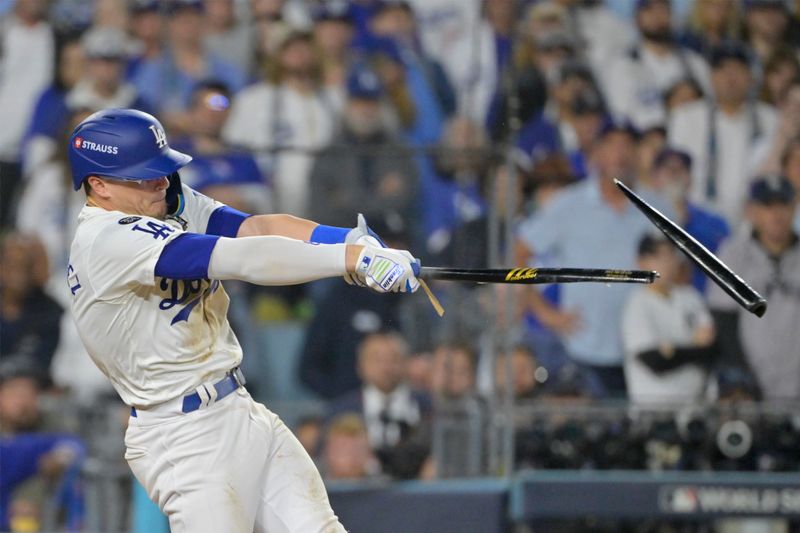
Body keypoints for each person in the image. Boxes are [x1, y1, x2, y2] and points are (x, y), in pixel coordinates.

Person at [65, 108, 421, 532]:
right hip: (183, 434)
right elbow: (242, 258)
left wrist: (347, 239)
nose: (160, 182)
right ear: (99, 185)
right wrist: (351, 261)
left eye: (160, 170)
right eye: (143, 176)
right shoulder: (106, 239)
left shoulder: (162, 203)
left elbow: (253, 228)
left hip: (240, 409)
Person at [516, 120, 674, 398]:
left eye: (627, 145)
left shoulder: (659, 207)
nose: (620, 153)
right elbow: (518, 254)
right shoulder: (569, 203)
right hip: (583, 348)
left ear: (638, 153)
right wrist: (543, 312)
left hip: (645, 349)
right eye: (611, 145)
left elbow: (678, 269)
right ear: (596, 153)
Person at [708, 175, 800, 401]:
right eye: (768, 206)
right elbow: (723, 320)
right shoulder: (733, 253)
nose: (777, 215)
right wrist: (742, 375)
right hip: (749, 384)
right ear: (753, 211)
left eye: (784, 205)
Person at [668, 42, 777, 225]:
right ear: (711, 77)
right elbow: (674, 173)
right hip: (698, 221)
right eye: (723, 69)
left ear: (751, 77)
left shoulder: (770, 119)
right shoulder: (686, 117)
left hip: (754, 222)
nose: (730, 77)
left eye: (738, 69)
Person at [621, 235, 716, 405]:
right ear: (641, 262)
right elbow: (656, 362)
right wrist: (694, 347)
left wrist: (673, 350)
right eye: (658, 257)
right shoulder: (637, 305)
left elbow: (713, 350)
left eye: (670, 255)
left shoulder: (691, 297)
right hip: (655, 408)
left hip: (696, 404)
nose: (666, 262)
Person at [327, 331, 431, 479]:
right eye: (377, 359)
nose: (386, 367)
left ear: (406, 363)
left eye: (394, 359)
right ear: (360, 365)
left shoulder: (428, 407)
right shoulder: (340, 410)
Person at [601, 0, 711, 131]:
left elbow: (711, 111)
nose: (656, 16)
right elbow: (620, 119)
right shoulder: (621, 67)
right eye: (649, 10)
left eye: (662, 9)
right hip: (645, 143)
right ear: (636, 18)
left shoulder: (695, 63)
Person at [0, 0, 54, 228]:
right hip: (2, 145)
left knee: (22, 226)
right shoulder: (5, 31)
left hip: (35, 148)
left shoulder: (54, 35)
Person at [648, 147, 730, 293]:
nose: (674, 174)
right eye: (667, 168)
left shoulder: (714, 223)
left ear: (690, 178)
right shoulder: (639, 220)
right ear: (654, 177)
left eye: (681, 169)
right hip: (653, 306)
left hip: (702, 305)